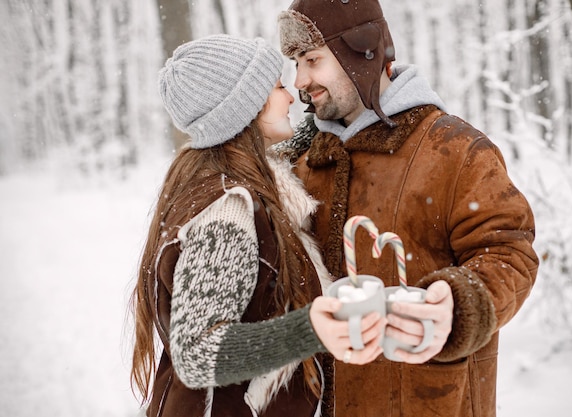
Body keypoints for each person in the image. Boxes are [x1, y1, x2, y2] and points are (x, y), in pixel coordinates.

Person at [275, 1, 540, 417]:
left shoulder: (455, 151)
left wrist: (459, 304)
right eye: (295, 63)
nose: (301, 80)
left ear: (360, 51)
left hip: (428, 401)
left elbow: (509, 253)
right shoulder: (301, 164)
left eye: (312, 60)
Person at [128, 34, 387, 417]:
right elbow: (198, 352)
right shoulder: (227, 210)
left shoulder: (213, 183)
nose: (290, 94)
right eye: (278, 86)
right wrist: (309, 329)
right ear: (244, 108)